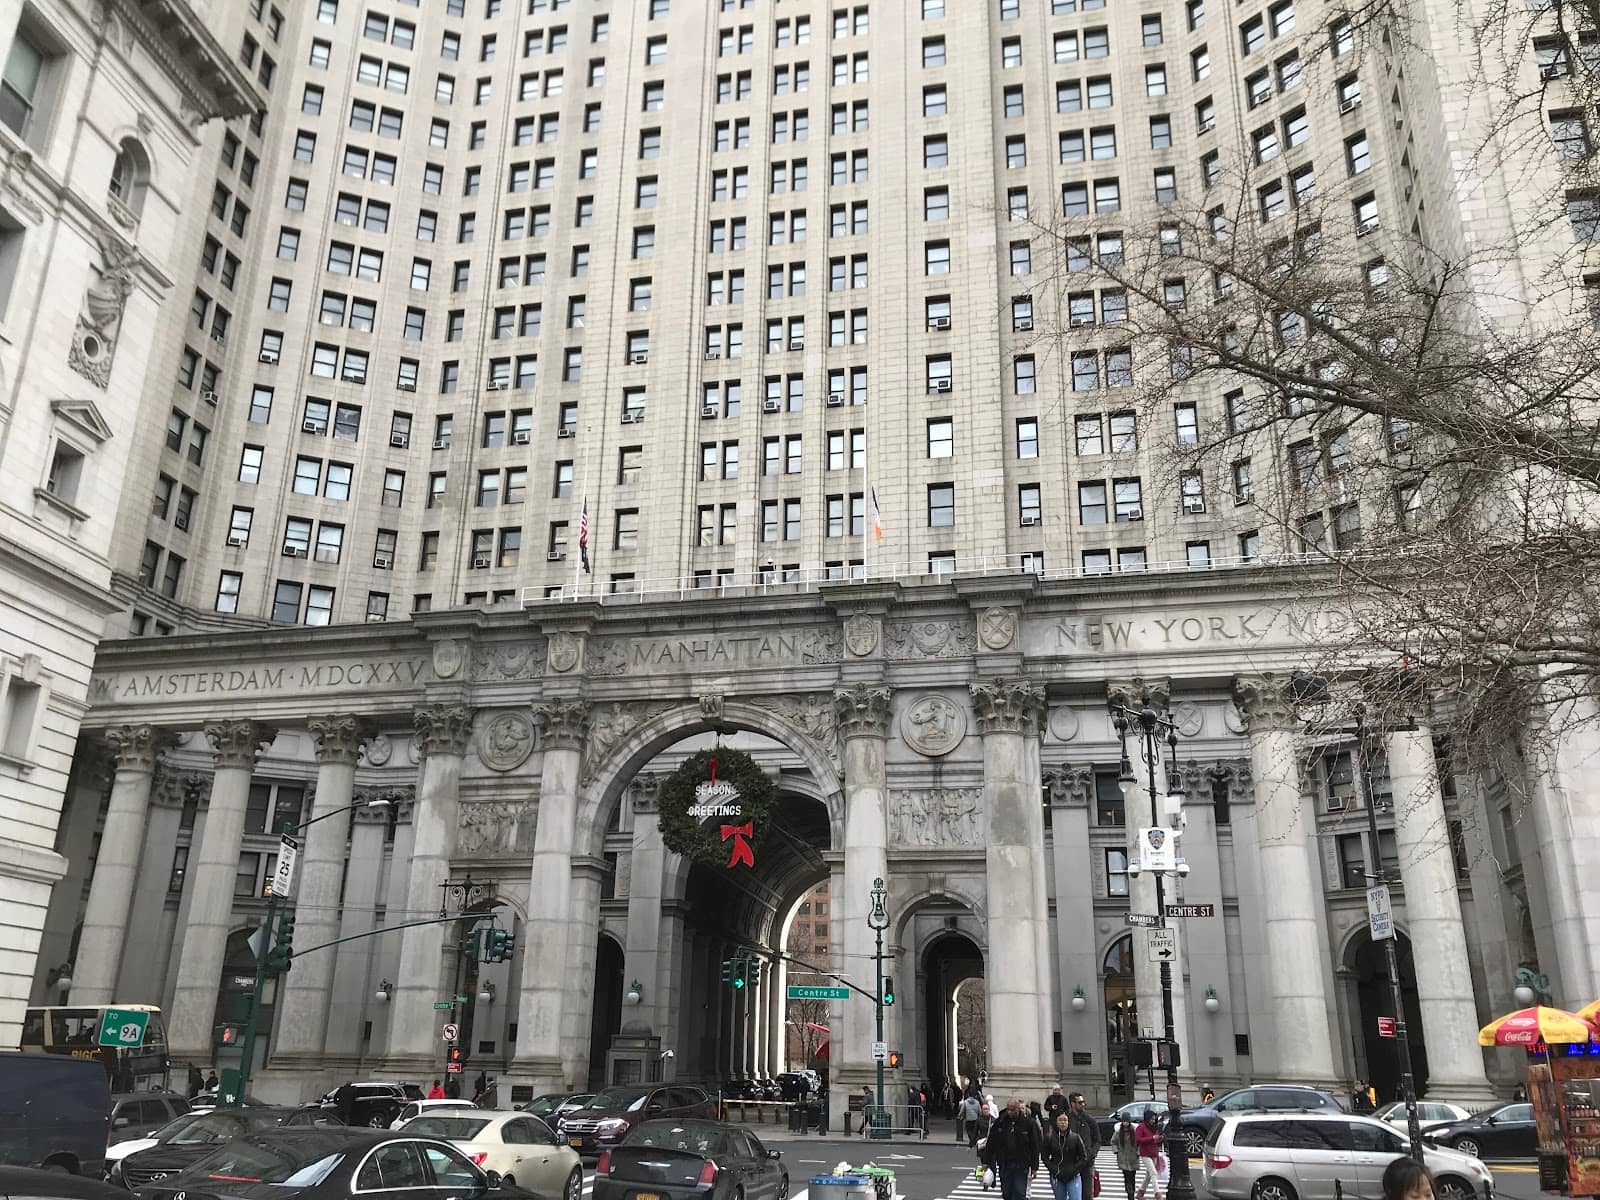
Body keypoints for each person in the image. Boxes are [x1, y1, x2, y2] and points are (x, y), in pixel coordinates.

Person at [981, 1099, 1042, 1200]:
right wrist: (986, 1161)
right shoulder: (1000, 1121)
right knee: (1006, 1192)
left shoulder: (1028, 1123)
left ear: (1018, 1109)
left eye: (1012, 1110)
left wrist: (1035, 1167)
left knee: (1019, 1192)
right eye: (1008, 1109)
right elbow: (991, 1142)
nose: (1010, 1112)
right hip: (1005, 1163)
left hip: (1021, 1164)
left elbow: (1035, 1145)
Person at [1043, 1111, 1091, 1200]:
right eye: (1060, 1120)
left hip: (1073, 1175)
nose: (1063, 1123)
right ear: (1056, 1122)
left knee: (1075, 1198)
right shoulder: (1049, 1137)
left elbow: (1083, 1157)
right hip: (1057, 1175)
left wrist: (1075, 1169)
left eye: (1065, 1120)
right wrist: (1053, 1169)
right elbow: (1044, 1157)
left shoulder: (1075, 1137)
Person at [1067, 1091, 1102, 1200]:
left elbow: (1097, 1140)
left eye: (1083, 1102)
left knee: (1087, 1195)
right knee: (1073, 1195)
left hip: (1087, 1163)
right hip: (1071, 1163)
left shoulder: (1090, 1120)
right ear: (1072, 1104)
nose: (1083, 1104)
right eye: (1080, 1102)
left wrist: (1092, 1153)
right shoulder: (1066, 1119)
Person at [1134, 1111, 1166, 1200]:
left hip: (1154, 1152)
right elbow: (1138, 1139)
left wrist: (1160, 1138)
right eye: (1151, 1119)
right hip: (1145, 1153)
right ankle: (1158, 1194)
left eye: (1154, 1119)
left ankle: (1140, 1193)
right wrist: (1151, 1138)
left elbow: (1157, 1138)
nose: (1153, 1121)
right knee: (1153, 1172)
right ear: (1147, 1118)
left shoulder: (1154, 1127)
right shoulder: (1141, 1127)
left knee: (1149, 1175)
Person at [1112, 1114, 1140, 1200]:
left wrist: (1138, 1151)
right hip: (1123, 1158)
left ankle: (1131, 1191)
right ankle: (1130, 1194)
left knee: (1132, 1177)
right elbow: (1113, 1142)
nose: (1125, 1123)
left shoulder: (1134, 1131)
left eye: (1127, 1121)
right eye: (1124, 1121)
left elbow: (1139, 1142)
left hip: (1133, 1158)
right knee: (1127, 1177)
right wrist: (1116, 1150)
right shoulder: (1118, 1132)